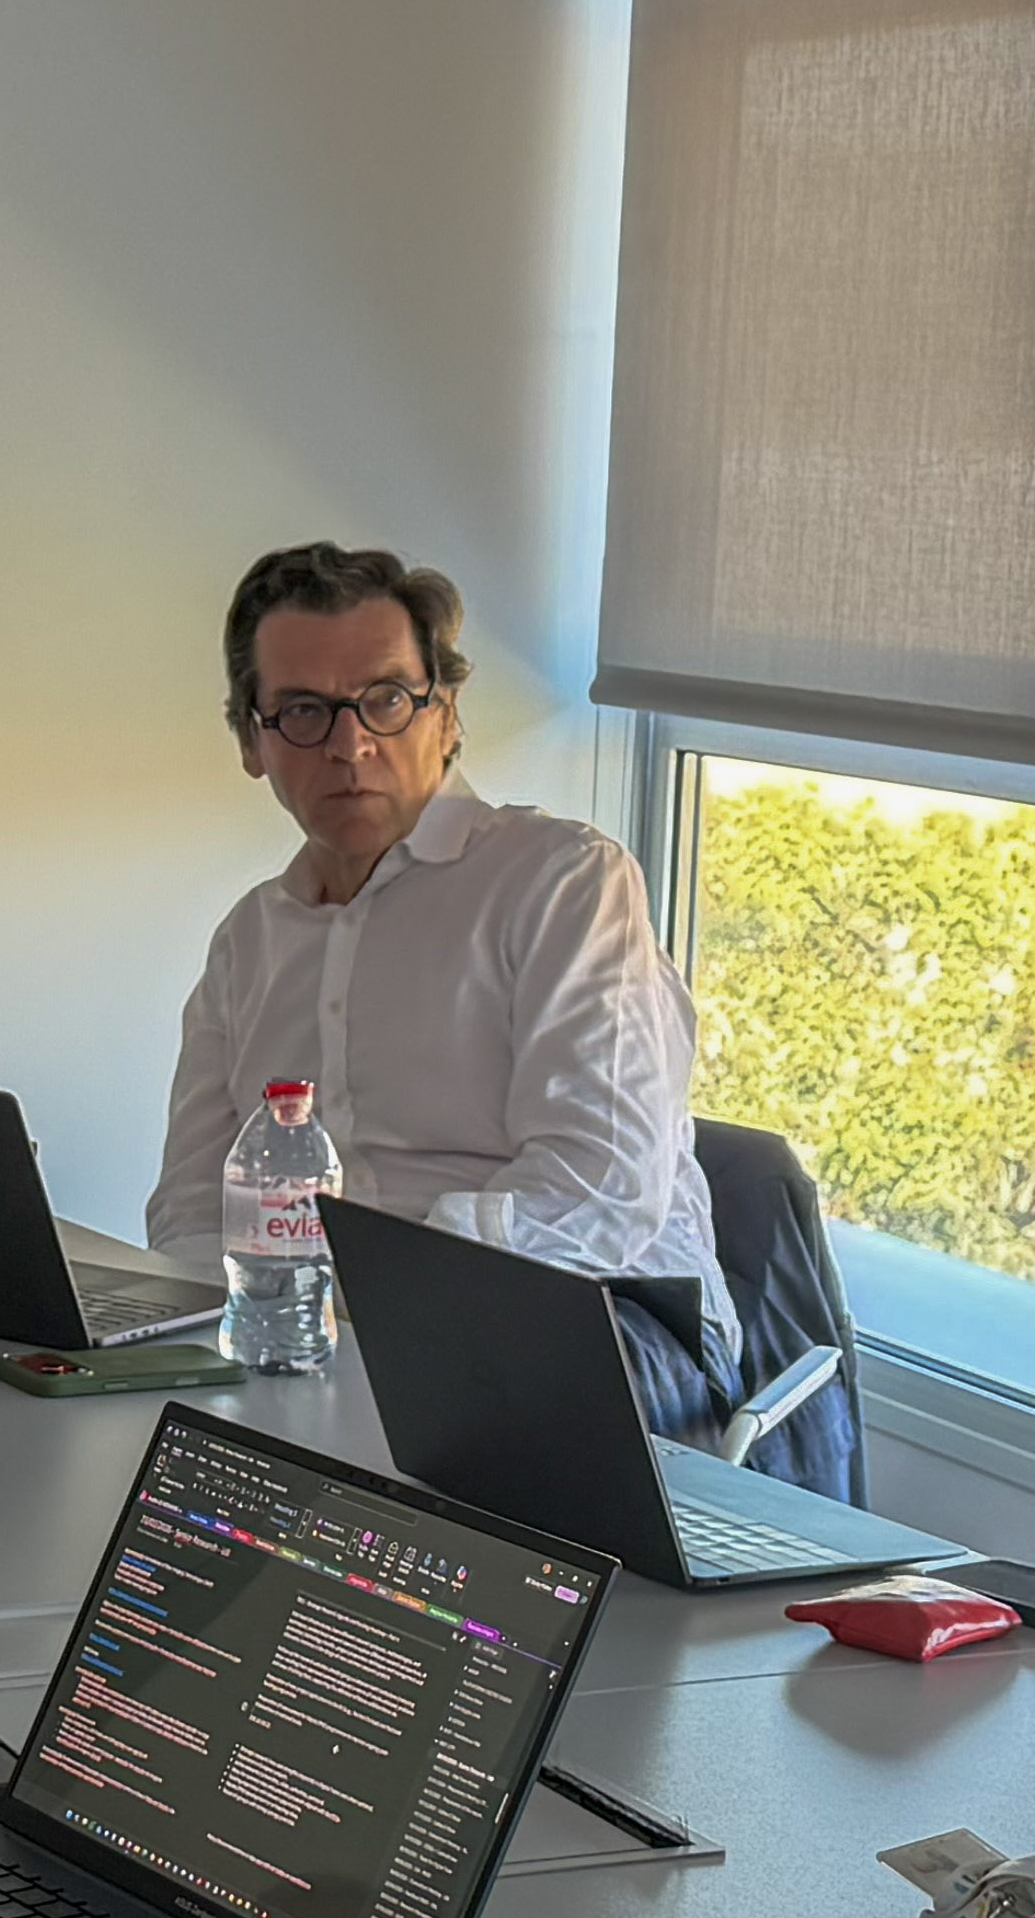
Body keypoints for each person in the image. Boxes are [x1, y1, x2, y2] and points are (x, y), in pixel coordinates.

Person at [145, 542, 734, 1429]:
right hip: (331, 1341)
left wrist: (376, 1297)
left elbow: (598, 1191)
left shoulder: (562, 883)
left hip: (599, 1321)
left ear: (447, 715)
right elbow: (194, 1204)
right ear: (250, 741)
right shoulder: (249, 943)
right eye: (303, 711)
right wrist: (207, 1330)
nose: (350, 744)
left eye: (386, 699)